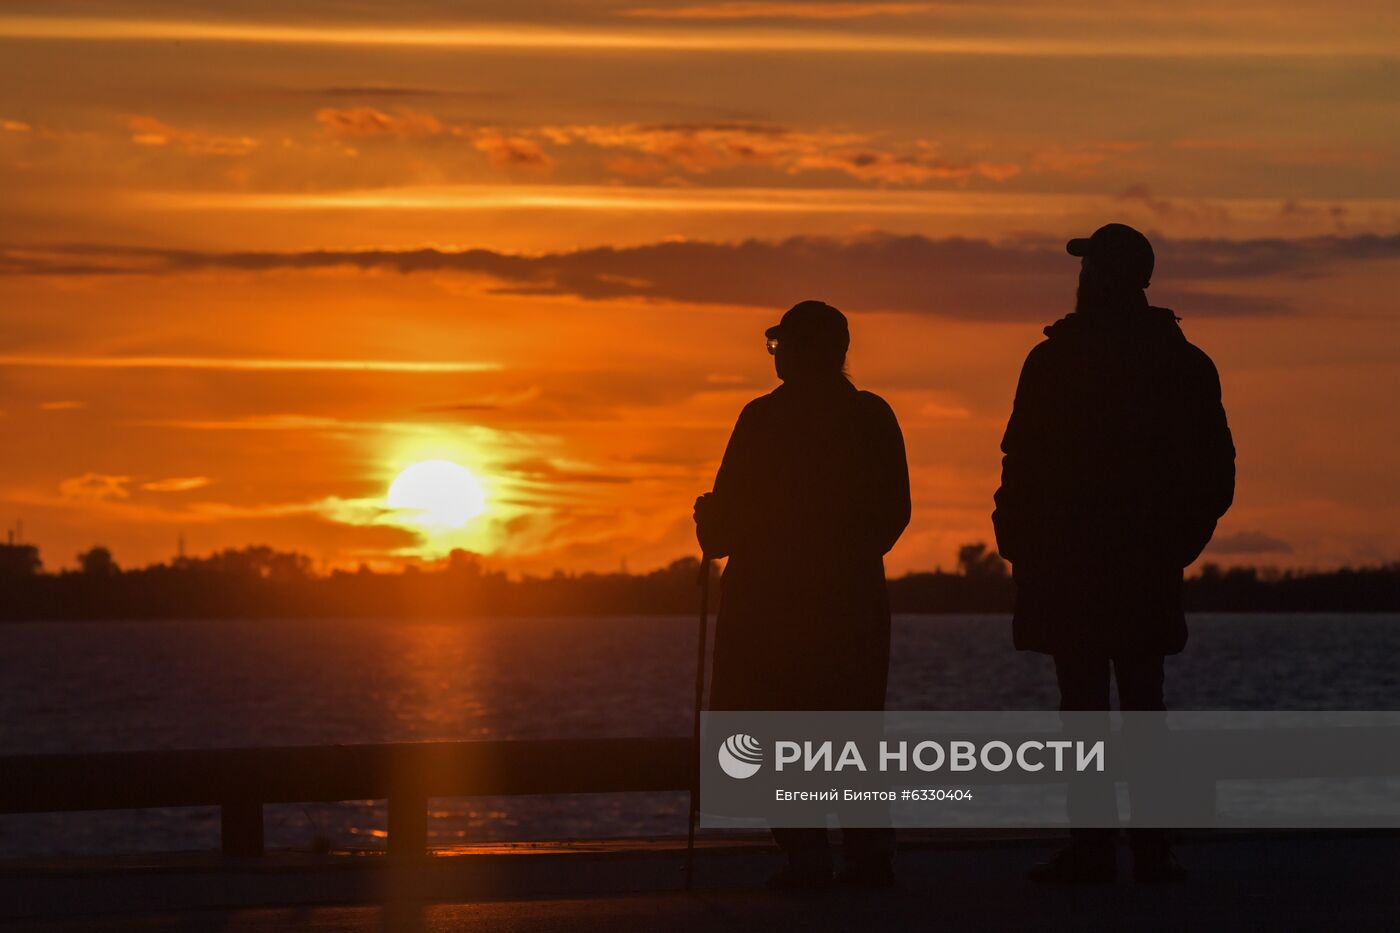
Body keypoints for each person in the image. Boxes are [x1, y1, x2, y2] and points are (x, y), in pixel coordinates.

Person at [992, 223, 1235, 884]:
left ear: (1109, 277)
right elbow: (1023, 461)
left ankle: (1122, 849)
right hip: (1099, 565)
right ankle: (1127, 849)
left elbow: (1211, 471)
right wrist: (1018, 534)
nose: (1081, 279)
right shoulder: (1172, 359)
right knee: (1122, 706)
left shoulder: (1078, 359)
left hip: (1099, 565)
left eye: (1091, 267)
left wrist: (1173, 544)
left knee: (1106, 708)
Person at [694, 300, 910, 890]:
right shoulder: (872, 417)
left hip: (768, 606)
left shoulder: (763, 420)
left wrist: (710, 521)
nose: (776, 355)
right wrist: (849, 559)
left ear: (799, 351)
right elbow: (895, 513)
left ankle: (807, 855)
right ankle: (868, 857)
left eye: (780, 344)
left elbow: (727, 525)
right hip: (853, 603)